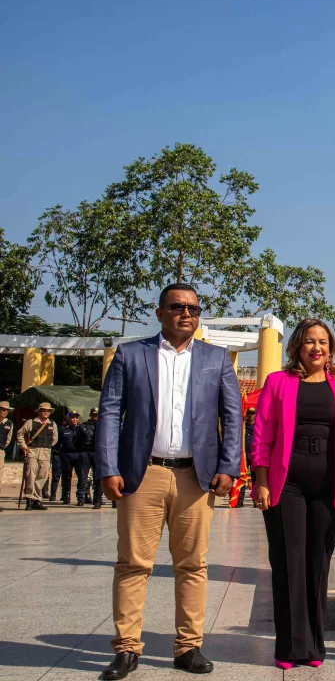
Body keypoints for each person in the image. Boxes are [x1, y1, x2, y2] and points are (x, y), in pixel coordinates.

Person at [96, 283, 242, 680]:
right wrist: (108, 466)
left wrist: (229, 466)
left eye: (194, 308)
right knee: (132, 564)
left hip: (196, 477)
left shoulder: (217, 359)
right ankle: (126, 649)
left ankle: (188, 647)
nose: (187, 314)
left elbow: (232, 417)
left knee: (193, 564)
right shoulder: (130, 354)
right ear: (160, 312)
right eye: (177, 307)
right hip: (142, 475)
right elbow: (110, 413)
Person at [250, 319, 335, 669]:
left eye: (323, 341)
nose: (317, 347)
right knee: (288, 562)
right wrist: (261, 479)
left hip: (329, 485)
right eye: (309, 341)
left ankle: (313, 647)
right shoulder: (278, 382)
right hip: (286, 483)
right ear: (296, 345)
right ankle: (289, 648)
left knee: (318, 563)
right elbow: (262, 435)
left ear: (331, 347)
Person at [17, 402, 59, 510]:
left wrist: (47, 447)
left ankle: (37, 499)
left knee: (42, 476)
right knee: (31, 475)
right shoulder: (30, 422)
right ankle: (29, 499)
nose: (46, 412)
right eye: (44, 410)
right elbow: (20, 434)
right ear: (39, 411)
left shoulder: (52, 424)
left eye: (48, 411)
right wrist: (24, 446)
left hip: (45, 453)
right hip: (33, 451)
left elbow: (55, 439)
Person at [57, 411, 86, 505]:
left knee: (81, 476)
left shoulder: (81, 428)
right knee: (66, 476)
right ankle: (66, 496)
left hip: (78, 455)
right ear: (68, 418)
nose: (75, 419)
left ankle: (81, 498)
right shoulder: (63, 429)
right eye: (73, 417)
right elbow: (57, 442)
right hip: (66, 455)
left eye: (76, 418)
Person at [79, 407, 105, 509]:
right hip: (86, 452)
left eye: (97, 414)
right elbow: (77, 440)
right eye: (94, 414)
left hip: (98, 453)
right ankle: (81, 498)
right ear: (90, 415)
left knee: (98, 478)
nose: (96, 416)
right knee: (83, 477)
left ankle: (97, 500)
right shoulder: (84, 426)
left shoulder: (103, 426)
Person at [236, 408, 257, 508]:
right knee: (242, 478)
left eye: (253, 413)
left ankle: (256, 500)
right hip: (244, 455)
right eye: (249, 413)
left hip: (254, 455)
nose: (251, 415)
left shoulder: (257, 427)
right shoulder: (244, 426)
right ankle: (240, 501)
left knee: (255, 479)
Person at [0, 401, 12, 512]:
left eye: (6, 410)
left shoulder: (9, 423)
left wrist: (2, 448)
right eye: (2, 409)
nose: (5, 411)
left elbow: (8, 439)